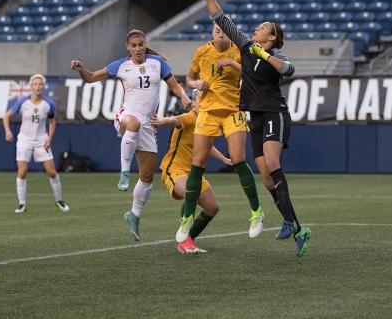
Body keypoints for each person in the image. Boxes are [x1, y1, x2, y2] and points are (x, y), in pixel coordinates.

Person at [191, 0, 312, 258]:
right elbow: (221, 18)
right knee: (267, 179)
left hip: (274, 113)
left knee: (271, 163)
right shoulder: (245, 46)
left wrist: (262, 53)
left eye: (263, 28)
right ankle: (293, 225)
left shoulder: (275, 56)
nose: (256, 29)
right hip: (254, 118)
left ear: (272, 37)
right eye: (257, 27)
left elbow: (288, 70)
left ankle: (293, 223)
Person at [70, 29, 191, 241]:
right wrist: (82, 69)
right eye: (133, 45)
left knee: (146, 177)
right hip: (126, 117)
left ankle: (134, 215)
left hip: (149, 125)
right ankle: (124, 172)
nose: (137, 48)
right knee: (133, 123)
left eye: (140, 44)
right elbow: (90, 78)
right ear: (128, 47)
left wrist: (183, 97)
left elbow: (174, 86)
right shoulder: (121, 65)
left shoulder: (157, 63)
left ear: (145, 44)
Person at [175, 23, 265, 246]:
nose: (221, 35)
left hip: (232, 110)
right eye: (217, 31)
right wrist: (197, 84)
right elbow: (189, 78)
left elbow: (252, 74)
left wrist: (231, 63)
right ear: (212, 33)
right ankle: (186, 217)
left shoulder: (239, 49)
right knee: (198, 162)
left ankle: (256, 212)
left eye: (224, 31)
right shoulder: (202, 51)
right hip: (207, 112)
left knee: (237, 159)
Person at [152, 90, 231, 253]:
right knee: (191, 192)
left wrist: (224, 160)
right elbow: (175, 120)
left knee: (212, 207)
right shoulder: (190, 117)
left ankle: (188, 240)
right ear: (193, 103)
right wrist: (161, 121)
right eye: (201, 98)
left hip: (194, 172)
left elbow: (206, 146)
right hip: (175, 169)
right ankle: (183, 237)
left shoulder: (207, 122)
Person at [3, 74, 70, 214]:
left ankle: (59, 200)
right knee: (22, 172)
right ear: (31, 86)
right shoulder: (22, 101)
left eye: (40, 84)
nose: (37, 87)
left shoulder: (48, 104)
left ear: (43, 86)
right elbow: (6, 116)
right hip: (24, 140)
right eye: (35, 84)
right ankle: (22, 204)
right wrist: (8, 132)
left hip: (41, 140)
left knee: (51, 171)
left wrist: (49, 138)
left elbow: (52, 121)